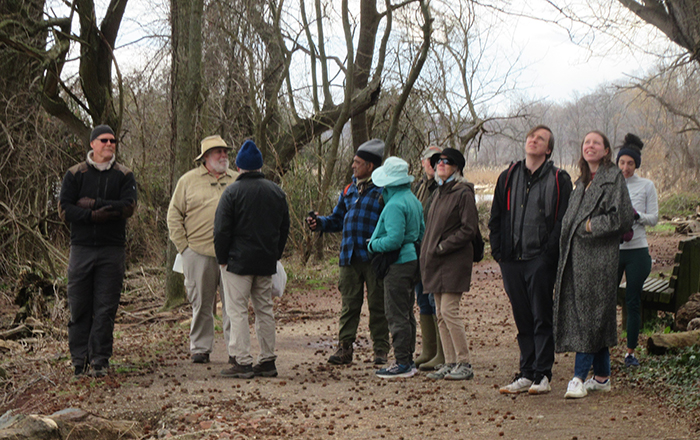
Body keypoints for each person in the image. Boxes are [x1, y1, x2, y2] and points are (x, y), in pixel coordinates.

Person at [489, 125, 572, 395]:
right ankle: (526, 372)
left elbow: (562, 220)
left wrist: (548, 255)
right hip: (512, 260)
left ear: (548, 149)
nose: (533, 141)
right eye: (531, 137)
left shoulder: (559, 179)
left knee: (541, 317)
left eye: (540, 139)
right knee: (522, 317)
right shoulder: (508, 176)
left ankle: (542, 374)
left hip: (540, 259)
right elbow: (497, 217)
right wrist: (499, 252)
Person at [554, 131, 634, 399]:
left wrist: (590, 225)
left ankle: (578, 377)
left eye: (595, 143)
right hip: (576, 259)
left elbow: (623, 219)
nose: (590, 146)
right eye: (586, 142)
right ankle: (601, 377)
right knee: (594, 315)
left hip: (598, 260)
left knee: (589, 314)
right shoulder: (582, 181)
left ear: (606, 150)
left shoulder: (613, 179)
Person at [59, 124, 137, 377]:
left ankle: (100, 360)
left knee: (106, 308)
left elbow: (127, 207)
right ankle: (78, 360)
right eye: (104, 140)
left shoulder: (124, 175)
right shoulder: (75, 174)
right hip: (81, 249)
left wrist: (94, 204)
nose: (109, 144)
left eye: (113, 140)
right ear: (92, 144)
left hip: (112, 250)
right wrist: (93, 215)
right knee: (79, 305)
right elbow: (64, 210)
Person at [306, 139, 390, 366]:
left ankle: (381, 350)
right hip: (349, 257)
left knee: (378, 305)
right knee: (349, 306)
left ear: (370, 166)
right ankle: (344, 349)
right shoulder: (348, 189)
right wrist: (319, 223)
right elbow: (337, 220)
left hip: (374, 258)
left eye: (357, 162)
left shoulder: (384, 190)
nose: (353, 166)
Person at [214, 140, 290, 379]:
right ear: (259, 166)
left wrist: (222, 258)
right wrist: (275, 254)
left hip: (238, 262)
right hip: (265, 261)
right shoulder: (276, 192)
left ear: (239, 168)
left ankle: (242, 360)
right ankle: (267, 359)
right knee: (264, 310)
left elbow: (221, 230)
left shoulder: (232, 192)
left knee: (237, 311)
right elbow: (284, 228)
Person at [167, 135, 239, 364]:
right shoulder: (188, 181)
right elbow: (173, 215)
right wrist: (184, 249)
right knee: (201, 304)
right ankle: (200, 348)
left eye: (225, 151)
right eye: (218, 152)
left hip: (232, 254)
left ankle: (236, 350)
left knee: (233, 305)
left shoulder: (238, 180)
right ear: (205, 157)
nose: (223, 155)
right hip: (198, 252)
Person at [420, 148, 478, 381]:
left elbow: (469, 229)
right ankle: (450, 362)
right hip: (435, 262)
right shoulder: (439, 192)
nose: (440, 164)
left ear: (457, 167)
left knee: (448, 311)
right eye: (438, 162)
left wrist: (443, 247)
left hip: (453, 261)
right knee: (440, 314)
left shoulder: (463, 192)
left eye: (446, 161)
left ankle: (464, 362)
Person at [368, 157, 425, 378]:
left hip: (398, 262)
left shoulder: (394, 205)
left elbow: (393, 240)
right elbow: (421, 232)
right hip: (413, 260)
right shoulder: (413, 200)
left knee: (396, 313)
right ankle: (407, 359)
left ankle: (402, 362)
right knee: (407, 311)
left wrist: (373, 244)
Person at [616, 133, 658, 368]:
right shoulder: (612, 184)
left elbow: (654, 218)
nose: (625, 167)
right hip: (614, 249)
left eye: (630, 163)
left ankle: (630, 352)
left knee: (633, 301)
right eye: (622, 162)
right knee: (605, 298)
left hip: (637, 250)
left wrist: (636, 215)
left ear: (636, 164)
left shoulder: (646, 186)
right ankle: (600, 350)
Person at [412, 145, 445, 371]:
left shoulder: (443, 187)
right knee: (423, 301)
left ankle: (443, 354)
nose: (433, 164)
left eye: (438, 159)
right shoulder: (418, 186)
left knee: (437, 303)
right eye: (429, 160)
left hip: (435, 253)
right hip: (418, 253)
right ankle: (429, 351)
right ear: (423, 162)